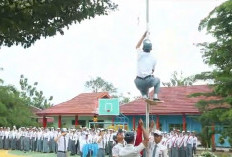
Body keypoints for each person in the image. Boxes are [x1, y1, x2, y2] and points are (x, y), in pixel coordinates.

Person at [134, 31, 161, 101]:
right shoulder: (154, 58)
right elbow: (152, 71)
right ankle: (155, 96)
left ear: (143, 48)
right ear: (151, 49)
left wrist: (143, 36)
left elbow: (137, 46)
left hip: (138, 82)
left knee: (141, 86)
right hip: (148, 81)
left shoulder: (139, 54)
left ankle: (144, 96)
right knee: (157, 80)